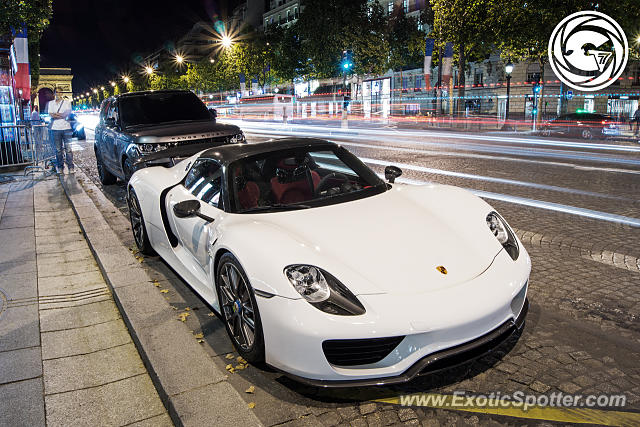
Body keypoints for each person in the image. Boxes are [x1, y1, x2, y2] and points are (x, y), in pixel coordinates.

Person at [47, 90, 74, 174]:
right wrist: (60, 114)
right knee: (58, 150)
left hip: (66, 128)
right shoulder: (51, 103)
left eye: (60, 92)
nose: (58, 93)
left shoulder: (67, 102)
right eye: (56, 92)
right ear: (54, 93)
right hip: (55, 128)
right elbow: (51, 114)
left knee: (68, 149)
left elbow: (66, 114)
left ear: (62, 93)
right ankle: (60, 167)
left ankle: (71, 167)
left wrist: (57, 114)